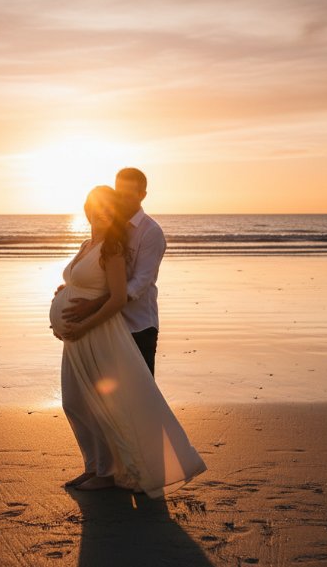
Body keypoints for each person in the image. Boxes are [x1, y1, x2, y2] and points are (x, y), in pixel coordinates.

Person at [50, 186, 205, 497]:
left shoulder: (113, 249)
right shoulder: (86, 244)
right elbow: (80, 281)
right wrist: (64, 292)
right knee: (75, 402)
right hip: (76, 339)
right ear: (87, 210)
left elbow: (119, 297)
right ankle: (93, 466)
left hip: (95, 334)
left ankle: (107, 473)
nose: (101, 214)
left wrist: (82, 326)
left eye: (108, 210)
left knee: (102, 404)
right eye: (96, 208)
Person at [61, 168, 166, 376]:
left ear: (142, 195)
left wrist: (93, 304)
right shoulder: (112, 225)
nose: (122, 200)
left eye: (128, 195)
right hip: (108, 325)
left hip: (138, 326)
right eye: (119, 194)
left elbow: (138, 284)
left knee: (140, 394)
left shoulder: (151, 232)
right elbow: (98, 273)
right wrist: (69, 291)